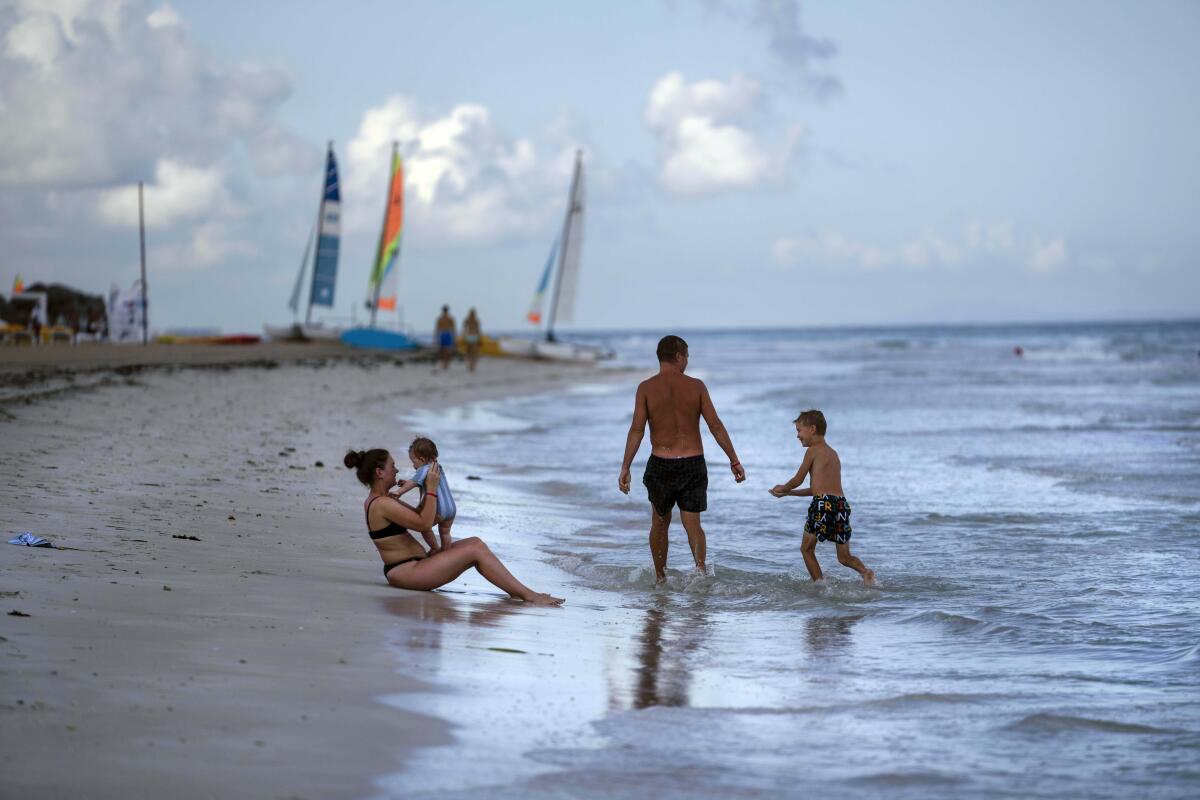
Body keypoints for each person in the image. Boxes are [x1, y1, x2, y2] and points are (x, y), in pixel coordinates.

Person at [345, 447, 563, 604]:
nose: (397, 470)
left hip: (412, 567)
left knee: (475, 543)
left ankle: (519, 592)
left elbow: (422, 516)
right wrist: (430, 487)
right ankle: (528, 595)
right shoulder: (382, 504)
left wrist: (436, 495)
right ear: (379, 472)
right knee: (475, 549)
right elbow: (423, 523)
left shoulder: (384, 501)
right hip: (407, 572)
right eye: (392, 466)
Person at [618, 335, 745, 582]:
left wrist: (626, 466)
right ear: (678, 356)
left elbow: (637, 429)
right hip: (693, 463)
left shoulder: (646, 388)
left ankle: (660, 578)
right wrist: (734, 460)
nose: (687, 361)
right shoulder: (697, 386)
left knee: (659, 523)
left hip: (660, 463)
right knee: (693, 523)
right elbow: (715, 426)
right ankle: (700, 573)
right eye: (686, 356)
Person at [770, 409, 875, 585]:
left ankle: (820, 585)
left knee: (806, 549)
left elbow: (798, 479)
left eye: (799, 430)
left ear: (812, 429)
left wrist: (783, 487)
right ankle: (866, 572)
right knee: (844, 557)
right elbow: (816, 489)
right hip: (840, 505)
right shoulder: (833, 454)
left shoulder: (812, 450)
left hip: (823, 504)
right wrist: (789, 493)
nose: (797, 436)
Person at [392, 436, 456, 553]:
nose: (413, 466)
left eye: (413, 462)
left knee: (424, 527)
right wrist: (407, 483)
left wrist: (399, 492)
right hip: (451, 508)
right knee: (445, 533)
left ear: (421, 460)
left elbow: (414, 482)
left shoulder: (424, 469)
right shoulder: (438, 467)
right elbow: (426, 483)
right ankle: (447, 553)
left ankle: (434, 548)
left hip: (439, 509)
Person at [434, 305, 456, 370]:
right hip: (446, 334)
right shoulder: (448, 318)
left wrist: (435, 337)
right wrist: (454, 337)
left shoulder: (442, 318)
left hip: (444, 334)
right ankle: (446, 363)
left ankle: (445, 363)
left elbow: (437, 329)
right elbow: (453, 329)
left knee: (444, 350)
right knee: (444, 350)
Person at [462, 308, 483, 372]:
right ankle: (471, 365)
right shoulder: (471, 320)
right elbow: (478, 330)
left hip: (472, 336)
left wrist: (464, 336)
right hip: (471, 336)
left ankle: (472, 365)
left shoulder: (472, 321)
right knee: (471, 352)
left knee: (472, 352)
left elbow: (478, 330)